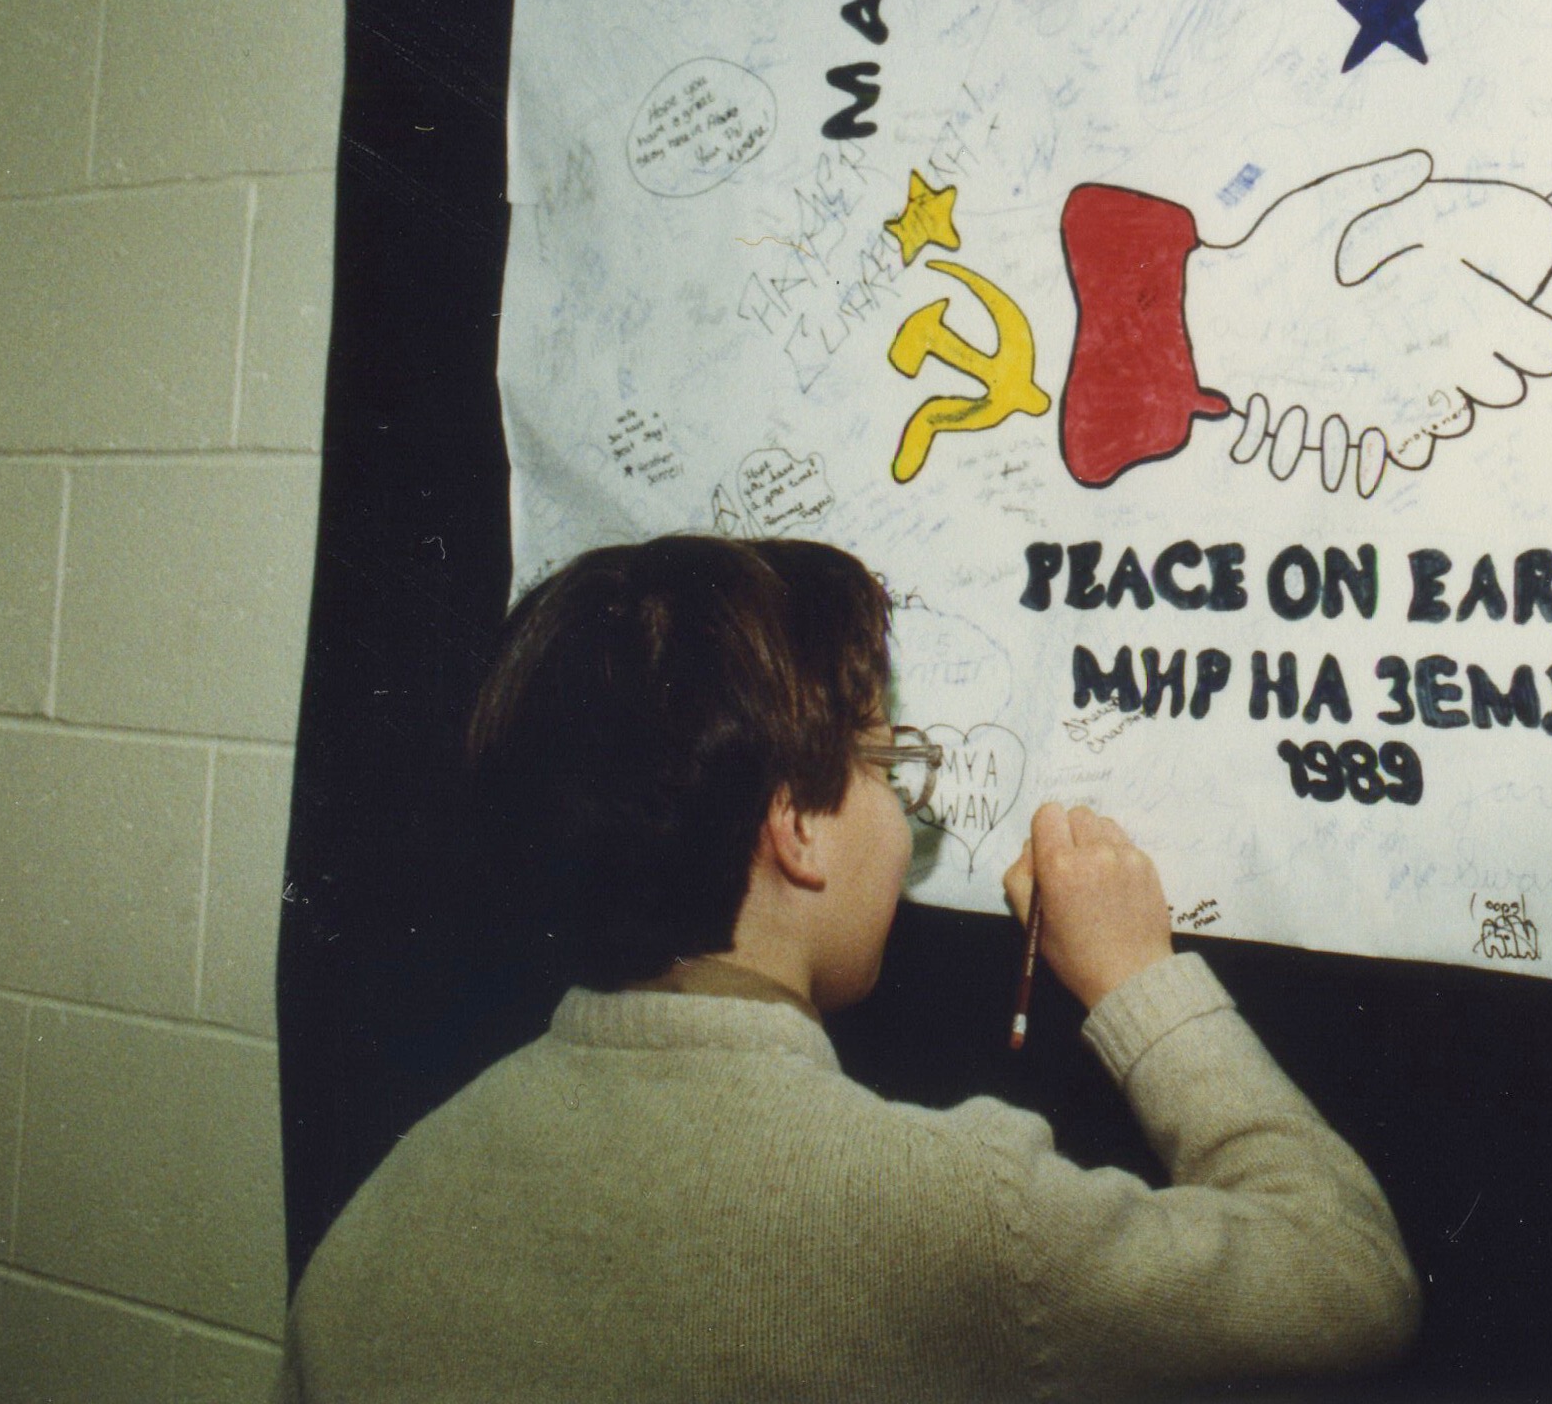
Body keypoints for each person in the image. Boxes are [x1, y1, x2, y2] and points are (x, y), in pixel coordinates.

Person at [279, 535, 1419, 1400]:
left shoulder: (396, 1198)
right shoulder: (949, 1215)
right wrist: (1141, 985)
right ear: (797, 826)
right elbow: (1352, 1280)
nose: (905, 807)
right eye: (882, 760)